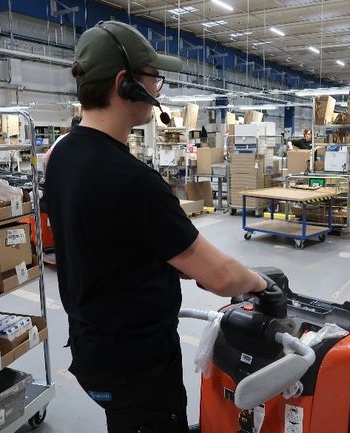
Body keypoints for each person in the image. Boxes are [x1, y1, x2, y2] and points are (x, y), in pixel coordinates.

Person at [45, 21, 266, 433]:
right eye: (154, 79)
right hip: (138, 365)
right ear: (126, 84)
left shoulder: (61, 155)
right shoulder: (132, 180)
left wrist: (161, 258)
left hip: (93, 347)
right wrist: (257, 282)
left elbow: (100, 238)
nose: (159, 91)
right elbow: (218, 275)